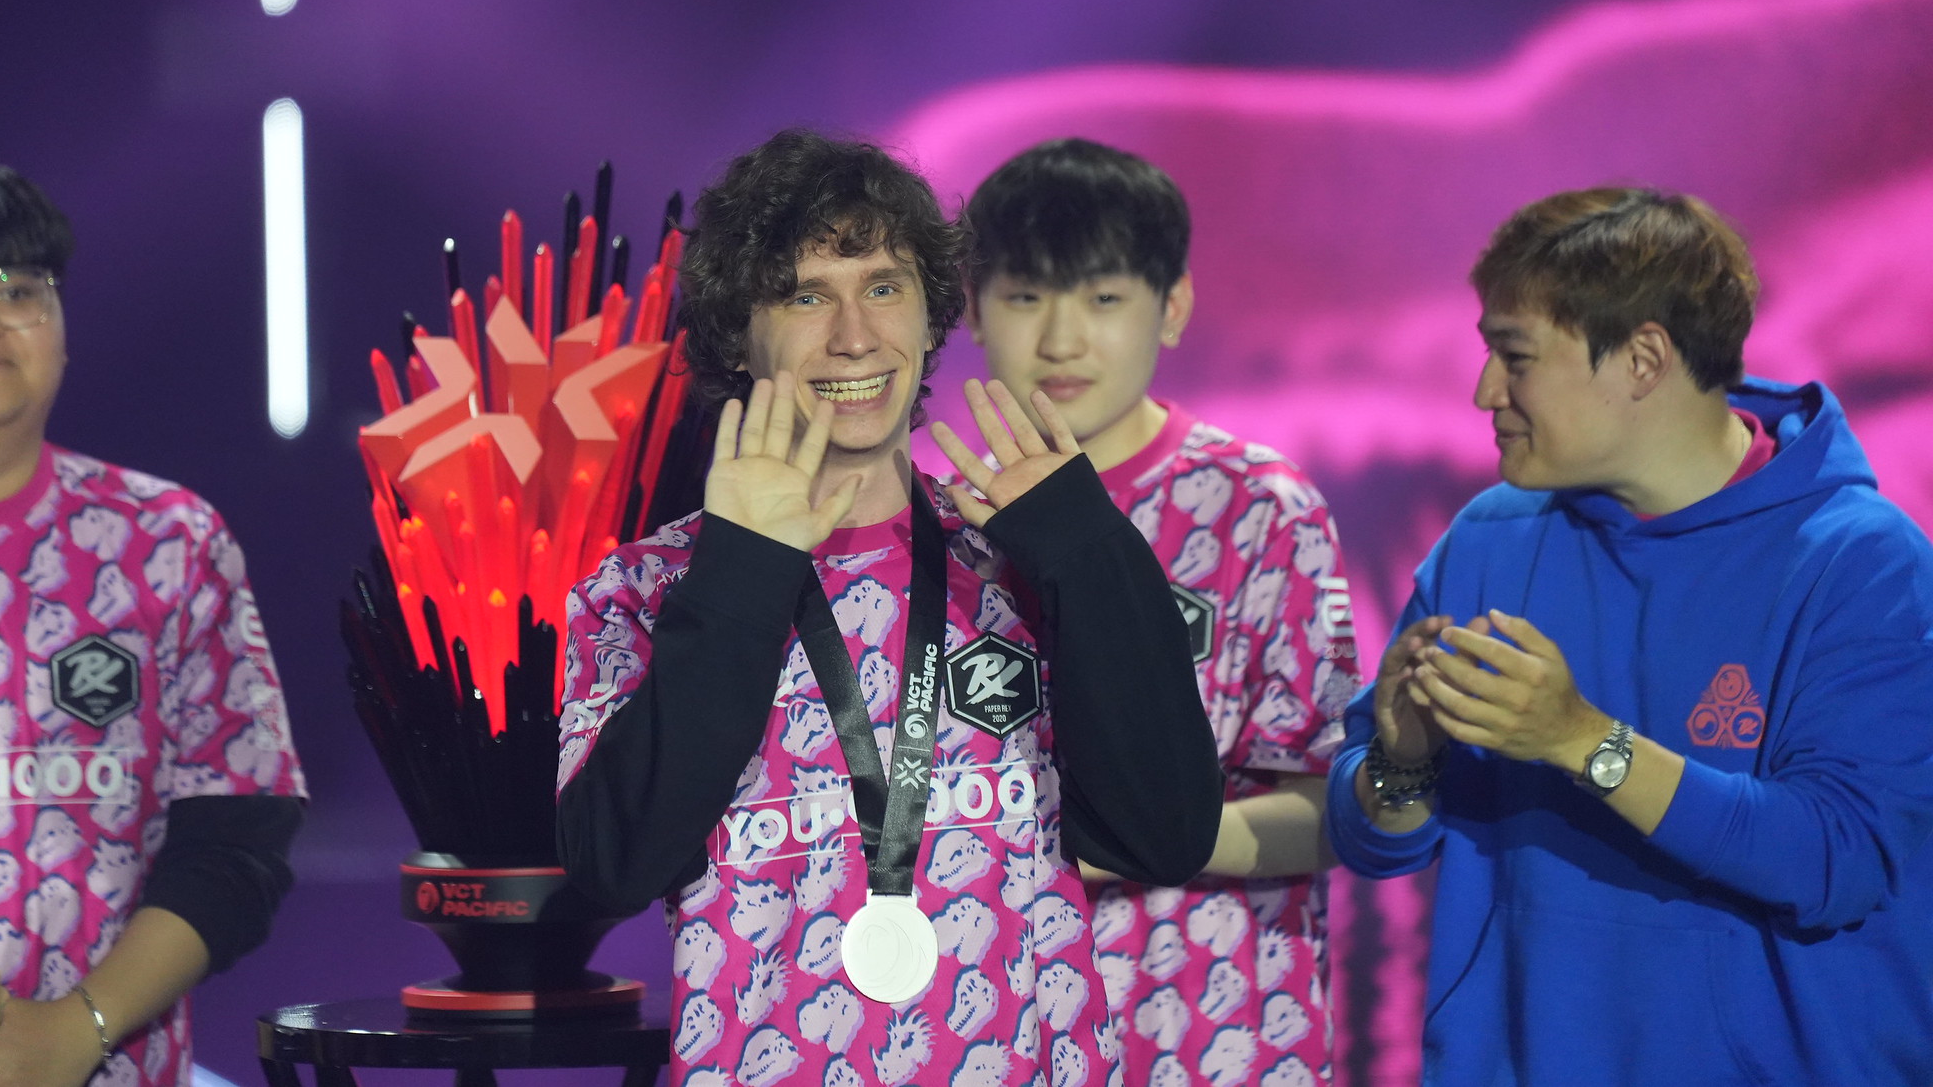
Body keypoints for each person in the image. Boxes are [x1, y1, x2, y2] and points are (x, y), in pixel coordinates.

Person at [554, 129, 1222, 1087]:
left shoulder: (1023, 565)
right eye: (805, 294)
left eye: (882, 286)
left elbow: (1166, 833)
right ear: (738, 333)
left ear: (931, 312)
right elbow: (613, 864)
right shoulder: (642, 592)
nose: (856, 335)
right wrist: (743, 568)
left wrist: (1092, 553)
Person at [1326, 187, 1933, 1085]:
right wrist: (1404, 758)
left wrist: (1581, 740)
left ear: (1644, 357)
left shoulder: (1863, 563)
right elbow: (1374, 839)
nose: (1483, 389)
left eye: (1515, 356)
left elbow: (1837, 859)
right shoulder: (1490, 537)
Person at [0, 164, 306, 1087]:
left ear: (64, 327)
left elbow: (236, 845)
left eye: (17, 288)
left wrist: (77, 1031)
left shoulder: (168, 540)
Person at [964, 138, 1359, 1087]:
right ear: (972, 310)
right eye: (1024, 296)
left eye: (1103, 298)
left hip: (1210, 1022)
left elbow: (1334, 807)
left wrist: (1111, 838)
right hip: (990, 1018)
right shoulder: (948, 522)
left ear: (1171, 307)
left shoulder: (1259, 507)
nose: (1061, 339)